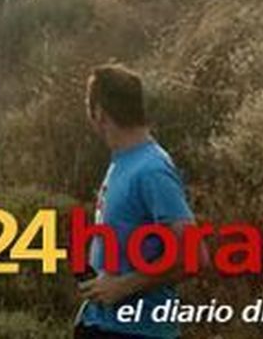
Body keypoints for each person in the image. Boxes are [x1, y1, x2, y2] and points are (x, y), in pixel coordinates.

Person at [76, 64, 196, 338]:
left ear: (99, 113)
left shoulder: (152, 169)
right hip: (103, 325)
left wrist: (123, 286)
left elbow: (194, 256)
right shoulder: (125, 160)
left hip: (138, 332)